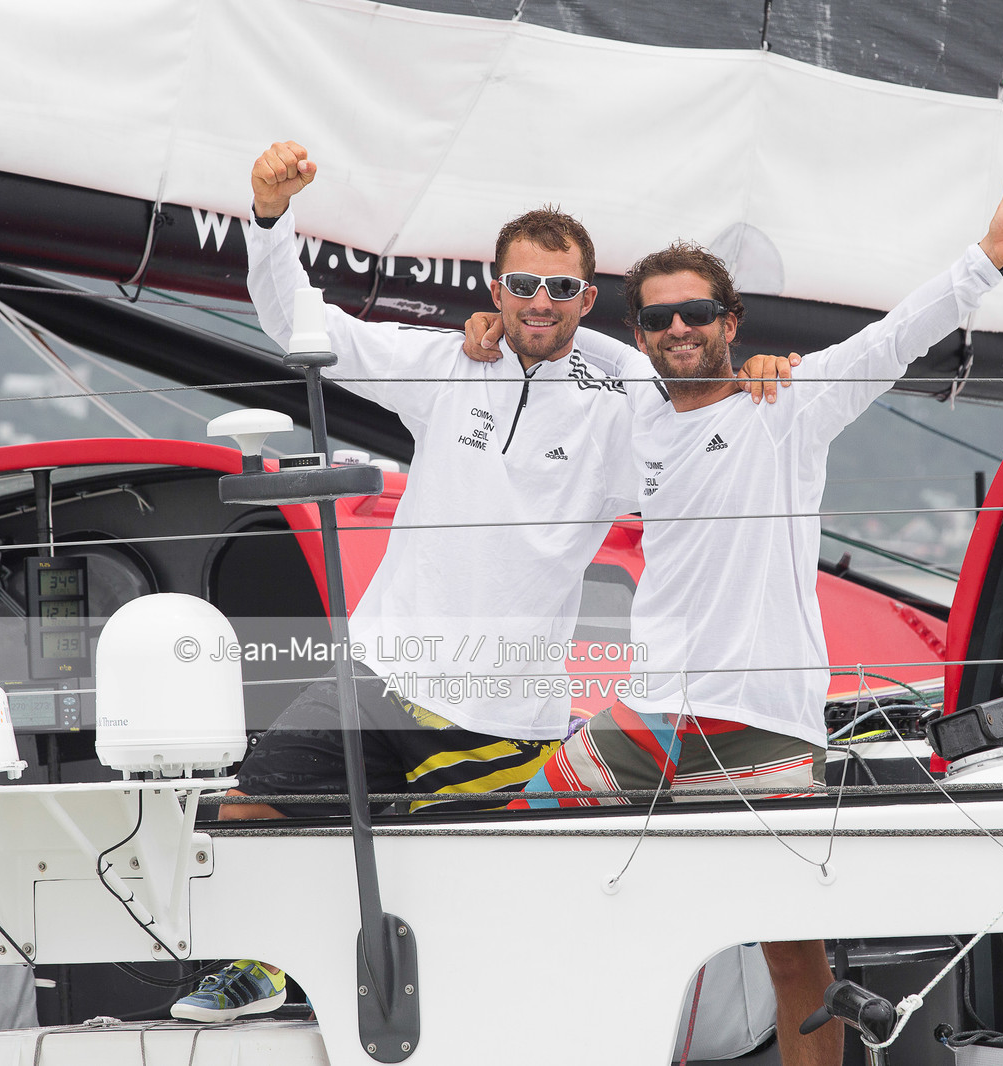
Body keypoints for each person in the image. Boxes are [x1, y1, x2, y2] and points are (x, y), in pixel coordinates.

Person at [172, 141, 795, 1023]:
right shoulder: (445, 365)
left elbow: (697, 400)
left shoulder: (626, 398)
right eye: (523, 285)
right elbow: (299, 324)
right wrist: (270, 218)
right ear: (493, 287)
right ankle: (265, 967)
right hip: (379, 676)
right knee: (251, 812)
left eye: (562, 288)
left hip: (503, 709)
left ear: (588, 298)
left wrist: (758, 372)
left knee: (490, 905)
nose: (541, 302)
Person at [469, 175, 1003, 1066]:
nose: (679, 329)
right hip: (648, 719)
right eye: (658, 319)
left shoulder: (792, 405)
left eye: (697, 313)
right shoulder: (637, 416)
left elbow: (895, 339)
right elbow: (554, 344)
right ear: (642, 336)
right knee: (513, 854)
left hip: (762, 727)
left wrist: (988, 260)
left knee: (790, 951)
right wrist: (489, 332)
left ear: (730, 322)